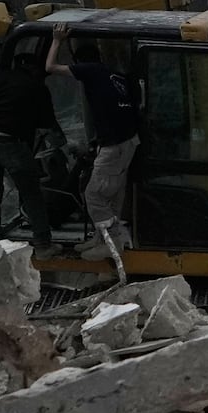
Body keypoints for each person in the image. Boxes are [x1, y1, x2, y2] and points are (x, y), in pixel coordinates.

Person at [43, 33, 144, 258]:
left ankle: (112, 243)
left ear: (80, 62)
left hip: (114, 147)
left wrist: (57, 40)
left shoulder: (89, 70)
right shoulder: (116, 77)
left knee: (94, 195)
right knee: (113, 195)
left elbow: (50, 67)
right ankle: (101, 238)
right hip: (127, 142)